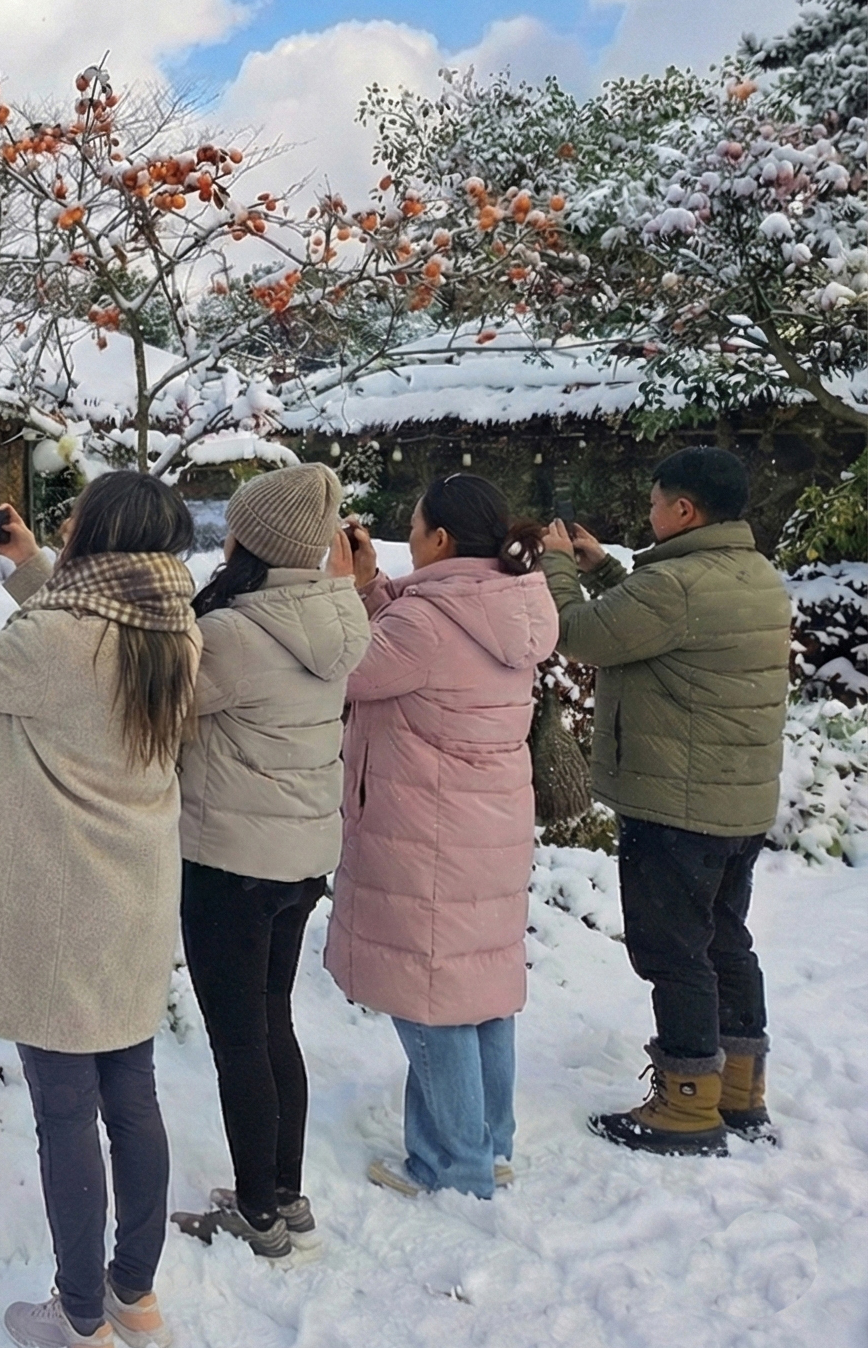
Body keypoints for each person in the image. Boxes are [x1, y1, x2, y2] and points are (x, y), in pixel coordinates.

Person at [0, 476, 199, 1348]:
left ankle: (79, 1317)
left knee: (66, 1112)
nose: (63, 524)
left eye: (76, 518)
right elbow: (84, 635)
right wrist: (31, 563)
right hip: (137, 893)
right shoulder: (175, 626)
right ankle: (133, 1294)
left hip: (62, 902)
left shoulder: (63, 639)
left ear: (101, 535)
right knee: (133, 1096)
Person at [540, 448, 792, 1155]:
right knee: (725, 939)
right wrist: (605, 569)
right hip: (736, 804)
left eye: (655, 503)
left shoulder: (676, 585)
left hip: (676, 806)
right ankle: (738, 1089)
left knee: (674, 952)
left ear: (684, 510)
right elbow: (656, 622)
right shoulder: (753, 574)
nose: (648, 514)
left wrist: (558, 565)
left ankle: (685, 1106)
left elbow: (579, 634)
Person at [325, 473, 558, 1200]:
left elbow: (345, 668)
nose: (410, 536)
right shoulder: (508, 601)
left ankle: (452, 1165)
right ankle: (490, 1142)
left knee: (431, 997)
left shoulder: (426, 623)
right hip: (486, 828)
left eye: (416, 526)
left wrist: (338, 591)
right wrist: (371, 586)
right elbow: (406, 646)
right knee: (480, 990)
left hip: (425, 833)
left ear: (442, 540)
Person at [168, 464, 369, 1261]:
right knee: (273, 1021)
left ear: (250, 539)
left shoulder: (234, 633)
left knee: (240, 1040)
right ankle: (285, 1195)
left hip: (231, 862)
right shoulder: (336, 612)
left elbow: (150, 697)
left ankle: (256, 1213)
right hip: (300, 858)